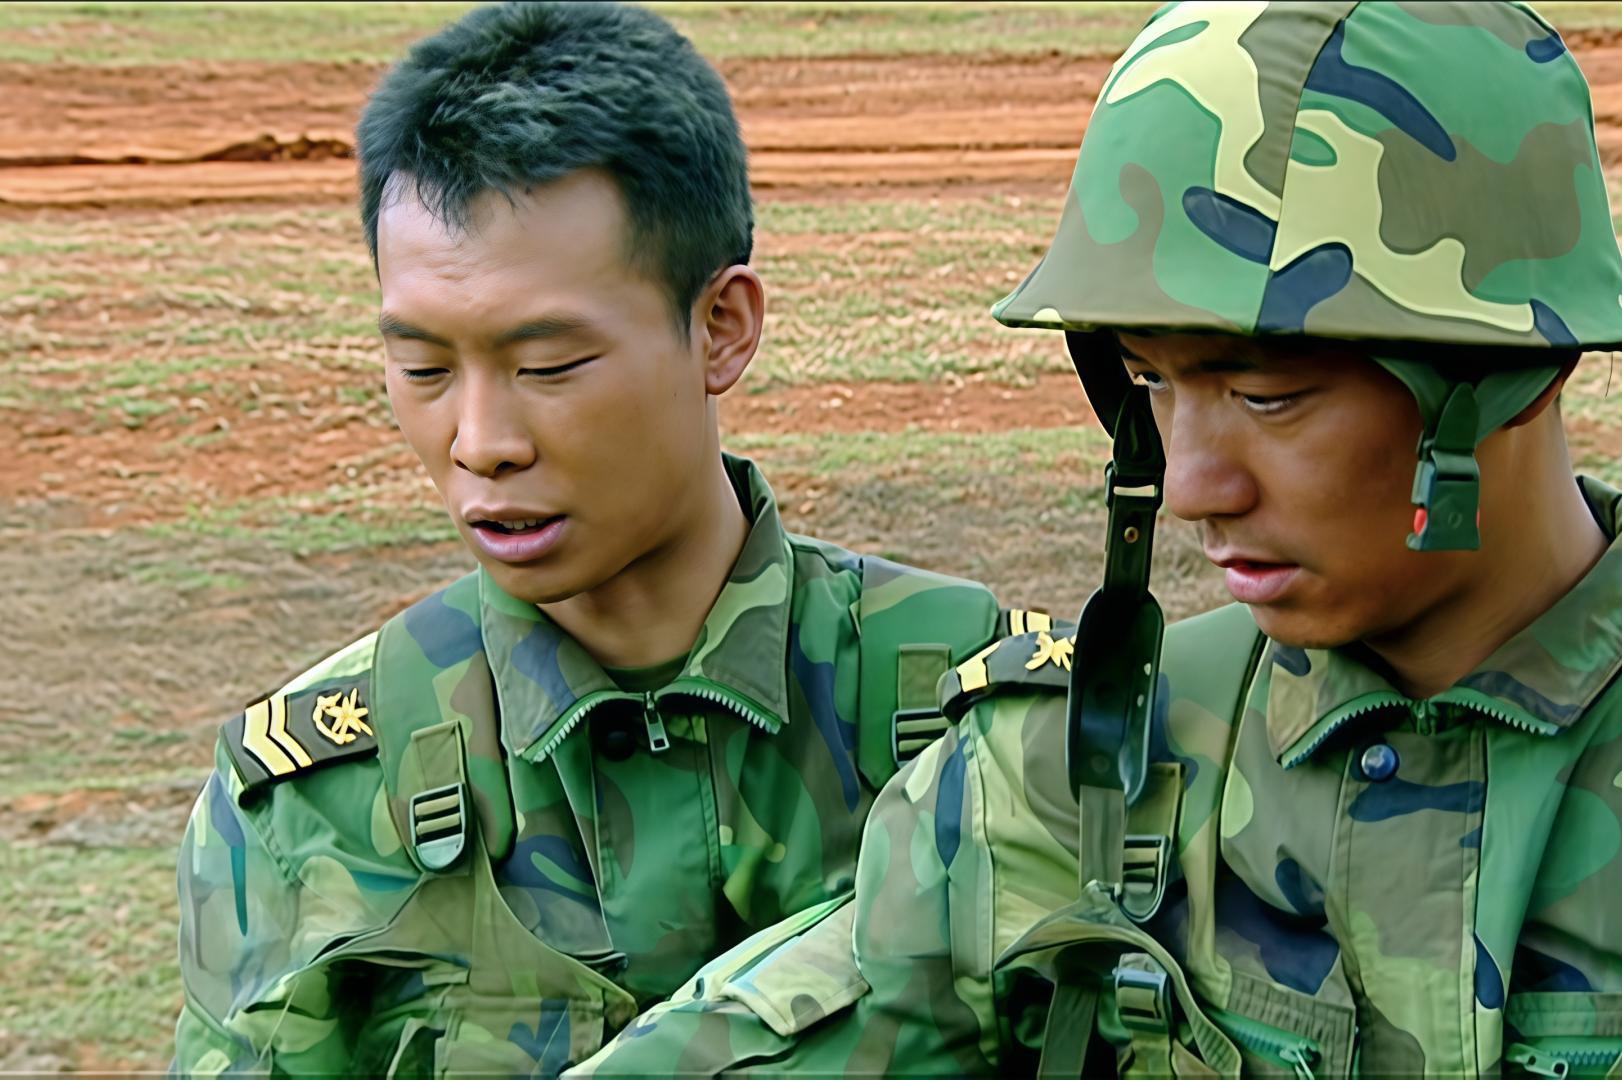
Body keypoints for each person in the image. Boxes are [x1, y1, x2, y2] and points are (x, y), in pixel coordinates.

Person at [579, 1, 1622, 1075]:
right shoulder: (1067, 783)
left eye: (1268, 395)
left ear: (1509, 376)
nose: (1193, 484)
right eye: (1150, 380)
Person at [168, 3, 1034, 1074]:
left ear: (721, 328)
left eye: (548, 366)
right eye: (424, 368)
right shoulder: (317, 802)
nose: (481, 443)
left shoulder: (988, 725)